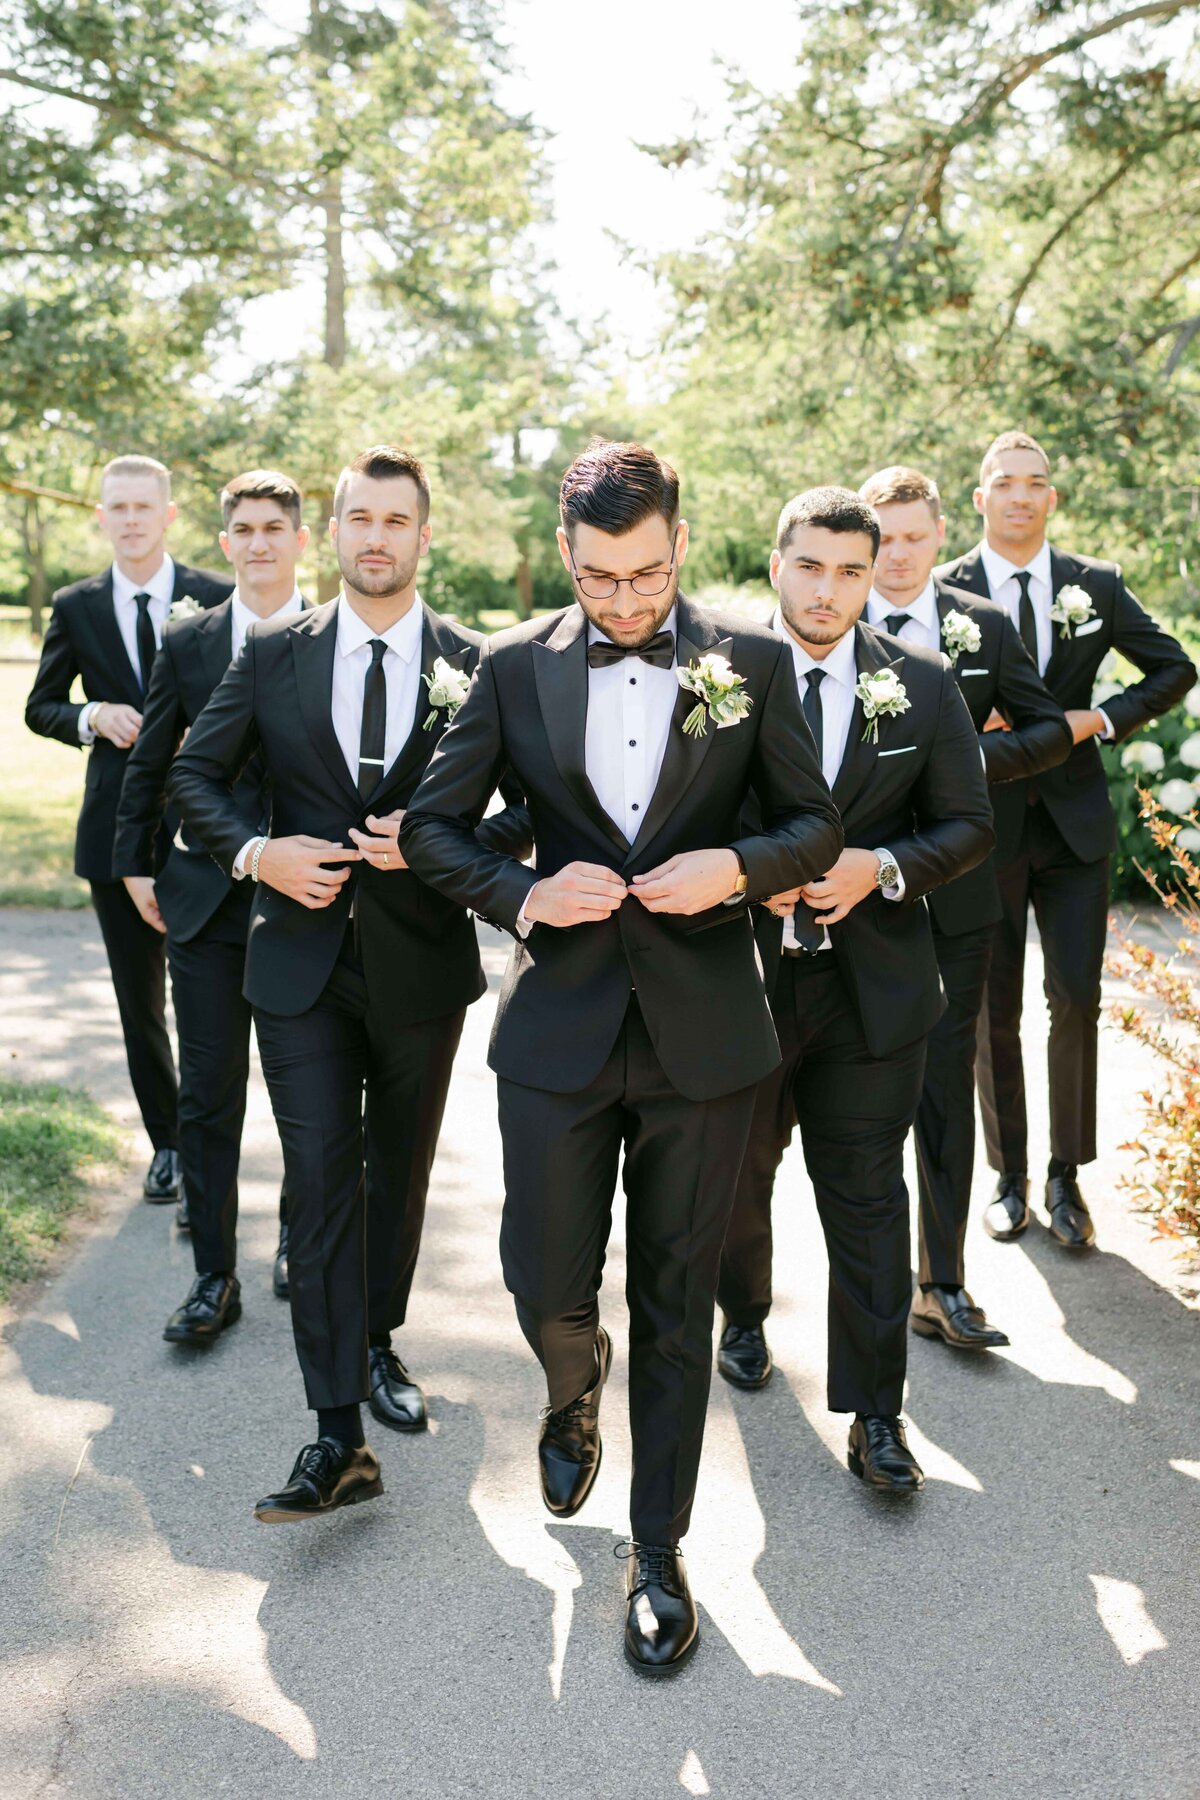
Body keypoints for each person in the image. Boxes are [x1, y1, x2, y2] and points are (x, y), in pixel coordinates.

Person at [401, 440, 842, 1675]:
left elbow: (818, 825)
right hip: (558, 1032)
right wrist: (527, 893)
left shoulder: (749, 663)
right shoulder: (507, 668)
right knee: (543, 1271)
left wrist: (743, 868)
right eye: (601, 580)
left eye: (646, 577)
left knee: (676, 1294)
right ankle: (568, 1373)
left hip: (707, 1039)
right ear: (567, 558)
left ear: (681, 545)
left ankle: (657, 1551)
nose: (627, 602)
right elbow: (436, 832)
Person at [169, 445, 530, 1523]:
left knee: (396, 1174)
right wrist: (257, 854)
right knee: (321, 1177)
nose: (375, 537)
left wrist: (441, 854)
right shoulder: (275, 655)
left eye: (395, 520)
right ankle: (335, 1431)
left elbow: (534, 811)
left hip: (421, 965)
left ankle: (378, 1343)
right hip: (299, 963)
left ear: (426, 536)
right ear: (334, 533)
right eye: (358, 519)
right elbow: (195, 775)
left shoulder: (481, 663)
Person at [715, 487, 993, 1494]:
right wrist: (755, 865)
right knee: (739, 1178)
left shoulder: (920, 687)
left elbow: (967, 826)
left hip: (871, 993)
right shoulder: (718, 677)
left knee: (870, 1200)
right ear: (776, 564)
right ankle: (742, 1314)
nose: (827, 590)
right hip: (739, 986)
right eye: (810, 566)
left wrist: (877, 868)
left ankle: (878, 1415)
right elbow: (672, 814)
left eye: (849, 570)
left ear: (873, 575)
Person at [938, 432, 1194, 1249]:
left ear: (1052, 499)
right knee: (992, 1009)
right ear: (980, 499)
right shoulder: (944, 591)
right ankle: (1008, 1176)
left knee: (1075, 999)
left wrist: (1101, 719)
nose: (1020, 495)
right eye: (1004, 482)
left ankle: (1065, 1175)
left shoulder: (1096, 584)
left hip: (1076, 824)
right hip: (982, 825)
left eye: (1036, 483)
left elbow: (1173, 666)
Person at [856, 464, 1072, 1351]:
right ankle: (762, 1302)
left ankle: (940, 1285)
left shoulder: (979, 626)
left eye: (914, 537)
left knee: (945, 1097)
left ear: (943, 536)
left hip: (954, 903)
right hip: (846, 903)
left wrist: (964, 763)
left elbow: (1049, 729)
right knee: (836, 1110)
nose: (898, 556)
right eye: (885, 538)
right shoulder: (822, 622)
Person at [114, 469, 309, 1344]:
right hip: (200, 898)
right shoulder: (188, 644)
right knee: (207, 1096)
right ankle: (211, 1278)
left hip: (306, 901)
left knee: (313, 1093)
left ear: (301, 539)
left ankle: (300, 1248)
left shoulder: (333, 636)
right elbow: (152, 759)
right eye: (244, 528)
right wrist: (134, 864)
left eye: (275, 527)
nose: (259, 541)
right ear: (224, 542)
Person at [25, 455, 231, 1203]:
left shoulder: (216, 594)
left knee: (218, 998)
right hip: (115, 831)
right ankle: (169, 1144)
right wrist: (91, 716)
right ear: (102, 516)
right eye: (118, 507)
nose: (132, 519)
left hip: (210, 830)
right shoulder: (76, 606)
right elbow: (40, 706)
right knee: (139, 1001)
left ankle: (220, 1145)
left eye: (146, 507)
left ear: (169, 515)